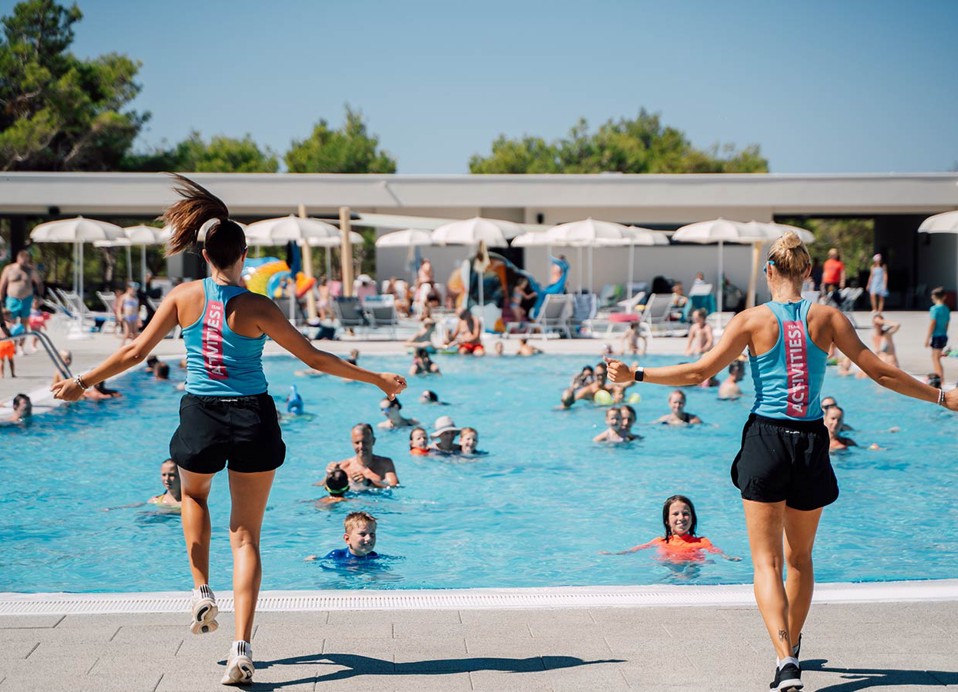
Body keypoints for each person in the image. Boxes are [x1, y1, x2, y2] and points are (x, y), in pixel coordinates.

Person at [50, 175, 406, 686]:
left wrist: (82, 381)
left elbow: (135, 352)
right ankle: (241, 647)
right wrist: (375, 377)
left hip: (201, 414)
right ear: (243, 256)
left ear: (204, 255)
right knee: (246, 535)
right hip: (253, 417)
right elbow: (314, 358)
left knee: (194, 499)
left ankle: (201, 592)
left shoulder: (183, 297)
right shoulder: (258, 306)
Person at [605, 231, 957, 692]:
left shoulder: (752, 320)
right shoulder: (829, 317)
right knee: (801, 560)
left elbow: (698, 372)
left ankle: (785, 658)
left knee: (766, 564)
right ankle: (791, 646)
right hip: (811, 441)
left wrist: (637, 374)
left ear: (768, 271)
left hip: (766, 442)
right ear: (808, 272)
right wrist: (941, 395)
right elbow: (880, 372)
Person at [603, 495, 740, 563]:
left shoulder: (701, 542)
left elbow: (717, 552)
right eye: (675, 514)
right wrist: (614, 554)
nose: (681, 517)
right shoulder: (661, 541)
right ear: (667, 521)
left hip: (692, 567)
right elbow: (635, 550)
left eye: (686, 514)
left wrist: (729, 558)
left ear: (692, 519)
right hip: (668, 565)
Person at [327, 422, 400, 490]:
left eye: (365, 442)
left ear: (373, 441)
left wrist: (368, 482)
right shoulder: (343, 467)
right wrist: (329, 475)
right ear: (352, 443)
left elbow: (395, 487)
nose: (361, 446)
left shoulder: (385, 464)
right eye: (357, 443)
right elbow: (321, 486)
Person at [0, 249, 44, 343]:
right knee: (11, 321)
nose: (24, 262)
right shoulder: (9, 269)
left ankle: (21, 345)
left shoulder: (31, 270)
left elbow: (39, 283)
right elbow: (2, 285)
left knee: (24, 323)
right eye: (22, 260)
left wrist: (40, 297)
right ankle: (11, 343)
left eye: (26, 260)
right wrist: (1, 301)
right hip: (12, 298)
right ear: (18, 258)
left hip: (26, 299)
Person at [307, 511, 379, 564]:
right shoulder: (337, 555)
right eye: (362, 534)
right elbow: (321, 563)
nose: (369, 538)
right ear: (347, 539)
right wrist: (313, 560)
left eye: (372, 534)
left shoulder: (373, 556)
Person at [926, 287, 950, 384]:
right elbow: (947, 323)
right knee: (936, 357)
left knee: (935, 358)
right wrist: (944, 333)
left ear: (934, 296)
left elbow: (932, 323)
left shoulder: (934, 309)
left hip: (937, 336)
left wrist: (927, 338)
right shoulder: (946, 308)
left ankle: (939, 379)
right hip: (943, 335)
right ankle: (939, 378)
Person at [0, 309, 15, 378]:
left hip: (1, 344)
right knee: (11, 360)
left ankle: (2, 374)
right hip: (9, 343)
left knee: (1, 360)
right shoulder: (10, 324)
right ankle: (12, 374)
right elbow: (13, 334)